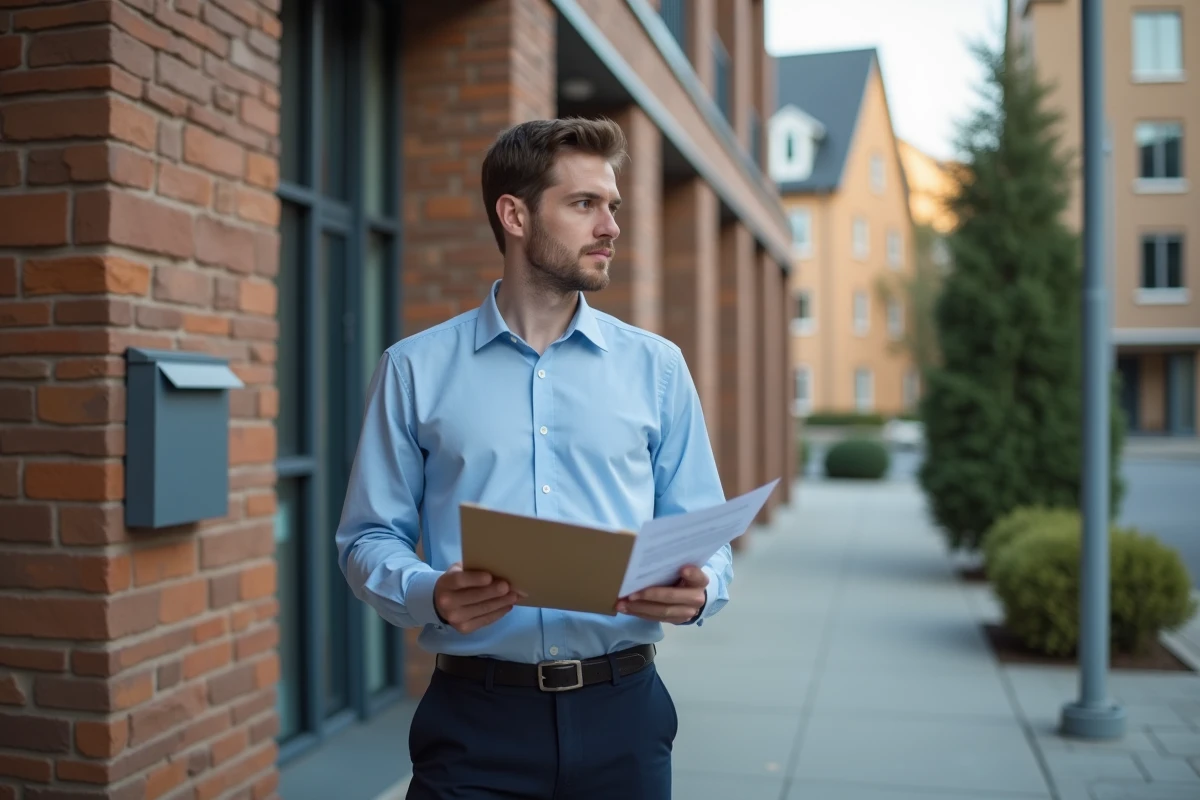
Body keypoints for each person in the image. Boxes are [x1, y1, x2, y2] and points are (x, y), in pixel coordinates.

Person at [335, 117, 732, 800]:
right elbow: (367, 538)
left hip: (625, 717)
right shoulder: (414, 369)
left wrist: (701, 590)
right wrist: (431, 592)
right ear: (514, 215)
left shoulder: (657, 368)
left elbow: (704, 529)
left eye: (613, 207)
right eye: (584, 205)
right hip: (473, 726)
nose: (610, 227)